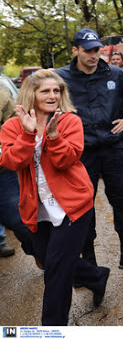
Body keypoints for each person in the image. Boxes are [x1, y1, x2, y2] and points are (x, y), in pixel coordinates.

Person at [0, 70, 110, 325]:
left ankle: (51, 328)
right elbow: (11, 161)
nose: (52, 96)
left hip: (72, 206)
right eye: (45, 91)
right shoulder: (13, 125)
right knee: (52, 262)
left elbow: (66, 160)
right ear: (32, 94)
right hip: (36, 209)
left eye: (56, 91)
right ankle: (96, 277)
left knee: (57, 274)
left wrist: (53, 136)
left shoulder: (69, 121)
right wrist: (28, 135)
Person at [56, 28, 123, 271]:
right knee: (83, 205)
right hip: (81, 153)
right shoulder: (60, 77)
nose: (93, 55)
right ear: (75, 50)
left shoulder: (117, 74)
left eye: (97, 50)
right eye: (88, 50)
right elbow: (40, 98)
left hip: (112, 148)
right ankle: (88, 261)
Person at [0, 88, 35, 260]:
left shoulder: (2, 95)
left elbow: (13, 127)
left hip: (2, 171)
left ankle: (39, 252)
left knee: (17, 219)